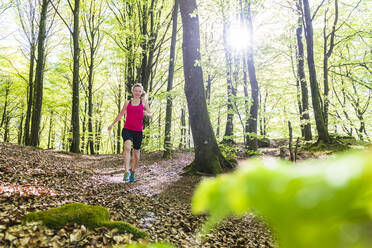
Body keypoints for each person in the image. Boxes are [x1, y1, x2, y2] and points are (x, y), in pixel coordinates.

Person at [108, 83, 152, 182]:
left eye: (139, 91)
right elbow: (120, 114)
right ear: (132, 91)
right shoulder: (127, 102)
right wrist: (112, 124)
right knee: (127, 148)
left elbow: (150, 115)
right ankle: (126, 171)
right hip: (127, 129)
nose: (137, 93)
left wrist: (147, 114)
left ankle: (133, 171)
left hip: (138, 131)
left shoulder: (144, 103)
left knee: (136, 154)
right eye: (136, 90)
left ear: (141, 92)